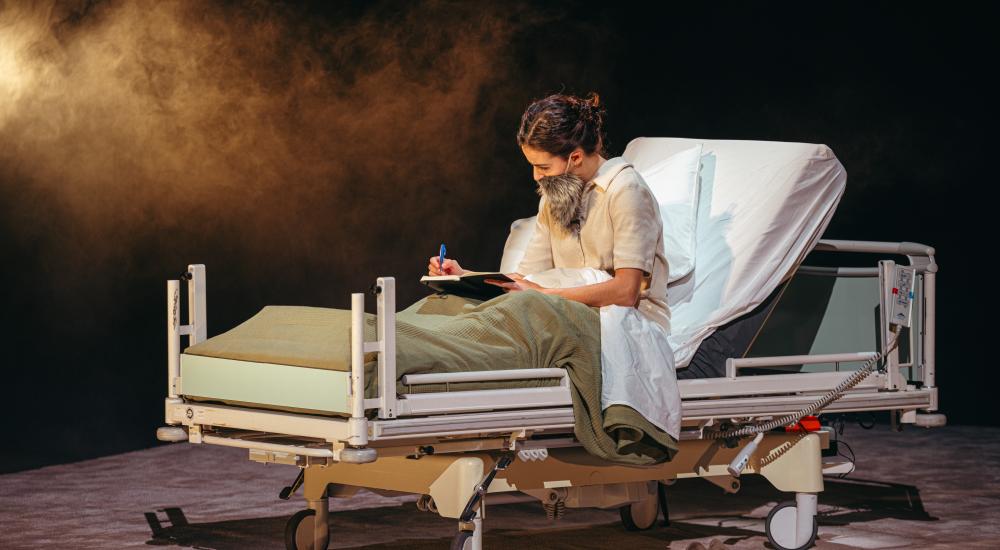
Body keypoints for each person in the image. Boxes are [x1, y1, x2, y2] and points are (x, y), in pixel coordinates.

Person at [427, 92, 670, 332]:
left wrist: (544, 295)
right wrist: (464, 276)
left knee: (488, 331)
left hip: (629, 324)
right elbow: (524, 279)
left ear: (574, 157)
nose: (536, 176)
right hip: (567, 315)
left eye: (543, 167)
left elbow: (626, 292)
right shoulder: (552, 200)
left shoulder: (626, 191)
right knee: (452, 310)